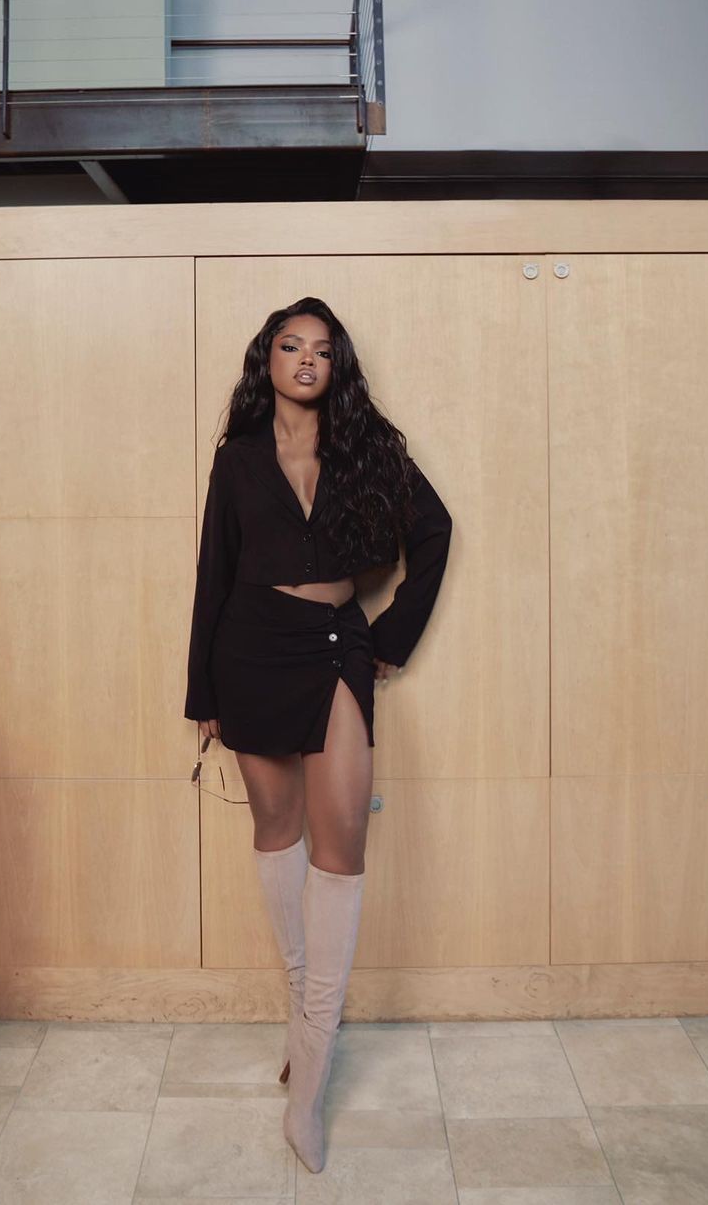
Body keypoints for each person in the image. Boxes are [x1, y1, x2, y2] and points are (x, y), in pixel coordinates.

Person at [184, 296, 453, 1174]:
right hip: (250, 649)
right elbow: (214, 571)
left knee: (341, 851)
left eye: (323, 349)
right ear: (267, 359)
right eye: (291, 345)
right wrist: (202, 692)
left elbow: (434, 530)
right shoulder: (237, 459)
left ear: (338, 366)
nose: (306, 359)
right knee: (276, 830)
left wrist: (391, 637)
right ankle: (302, 1012)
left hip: (337, 644)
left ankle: (312, 1069)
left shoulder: (367, 446)